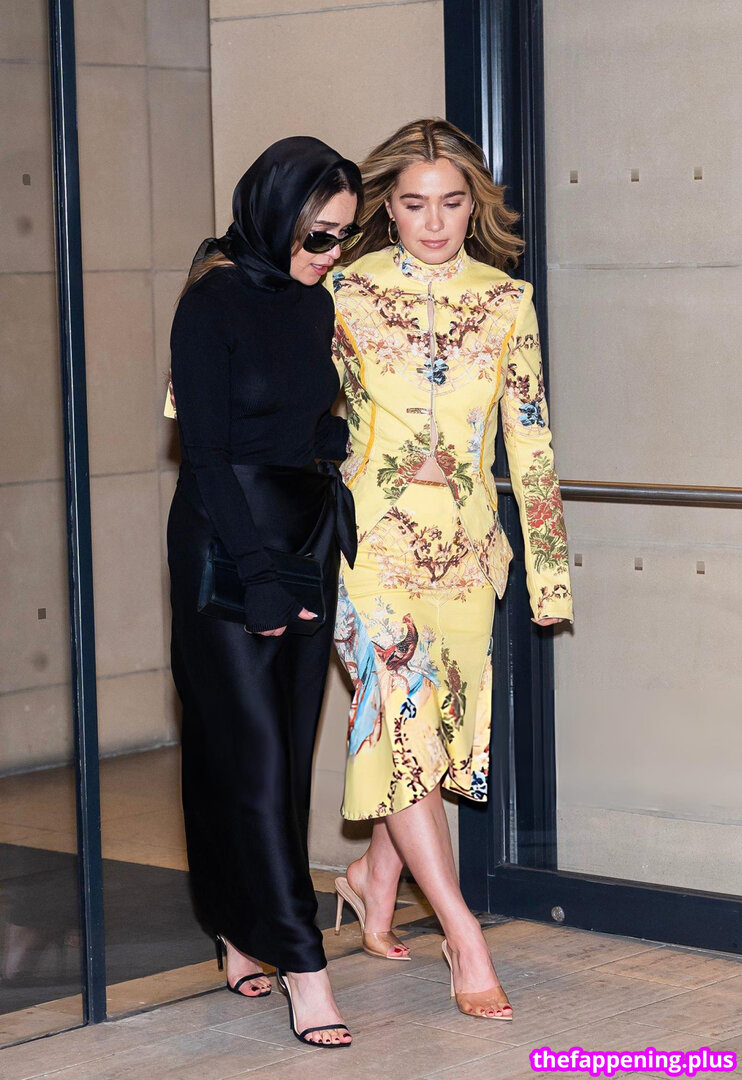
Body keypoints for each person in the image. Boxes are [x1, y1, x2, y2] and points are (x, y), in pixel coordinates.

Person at [329, 118, 573, 1020]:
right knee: (400, 729)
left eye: (451, 202)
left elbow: (531, 443)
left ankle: (372, 875)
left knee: (427, 744)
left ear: (476, 206)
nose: (434, 223)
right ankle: (463, 934)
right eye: (414, 203)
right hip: (371, 550)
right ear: (387, 208)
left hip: (469, 556)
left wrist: (549, 573)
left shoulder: (507, 300)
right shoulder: (345, 291)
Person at [166, 137, 362, 1047]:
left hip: (304, 535)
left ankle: (235, 921)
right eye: (319, 235)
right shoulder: (210, 302)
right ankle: (304, 964)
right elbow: (206, 456)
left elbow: (298, 416)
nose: (330, 253)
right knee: (246, 751)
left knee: (275, 751)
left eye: (343, 237)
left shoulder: (314, 302)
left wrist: (324, 449)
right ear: (275, 215)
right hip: (228, 542)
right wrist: (256, 574)